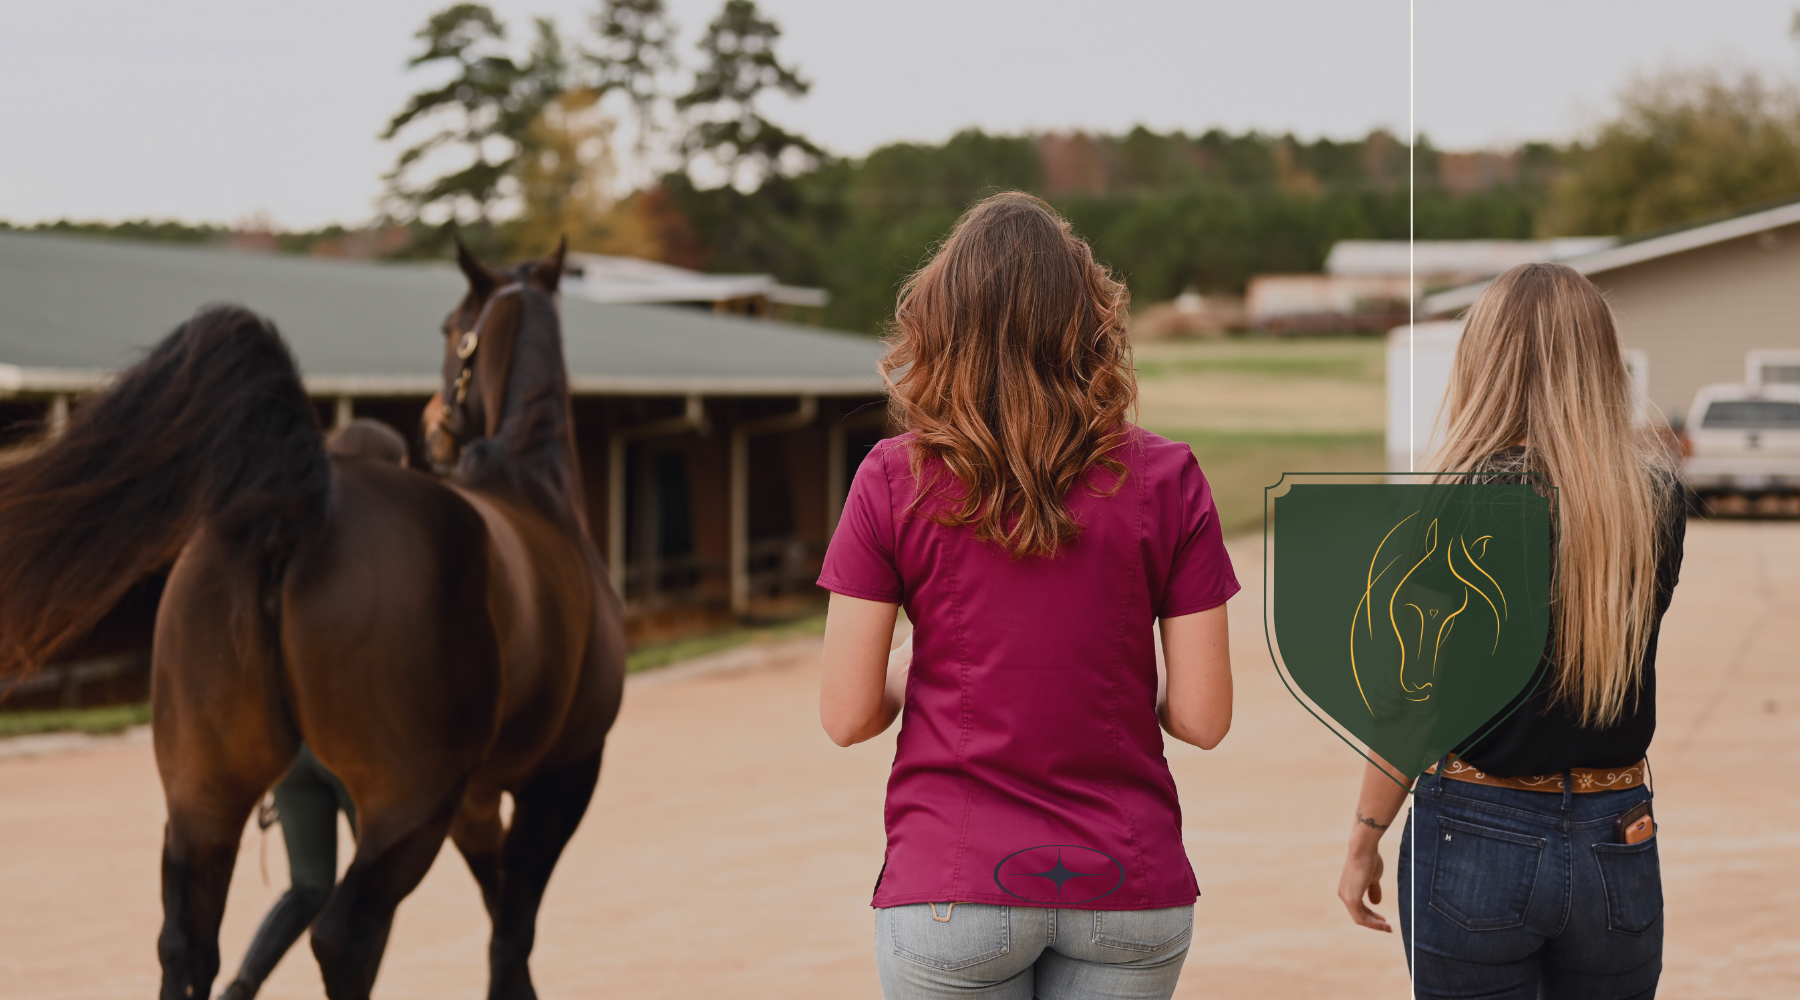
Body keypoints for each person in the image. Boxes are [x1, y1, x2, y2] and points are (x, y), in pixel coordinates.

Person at [817, 192, 1238, 1000]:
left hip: (952, 883)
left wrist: (920, 664)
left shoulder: (890, 478)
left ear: (940, 323)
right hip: (1128, 882)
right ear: (1092, 324)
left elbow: (845, 717)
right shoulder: (1169, 477)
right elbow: (1203, 720)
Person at [1336, 262, 1685, 998]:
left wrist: (1365, 836)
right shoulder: (1652, 503)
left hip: (1476, 830)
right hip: (1616, 833)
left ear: (1486, 362)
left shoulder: (1450, 508)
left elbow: (1409, 706)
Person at [218, 746, 356, 1000]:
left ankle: (240, 989)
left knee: (309, 884)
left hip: (291, 751)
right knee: (375, 883)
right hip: (354, 748)